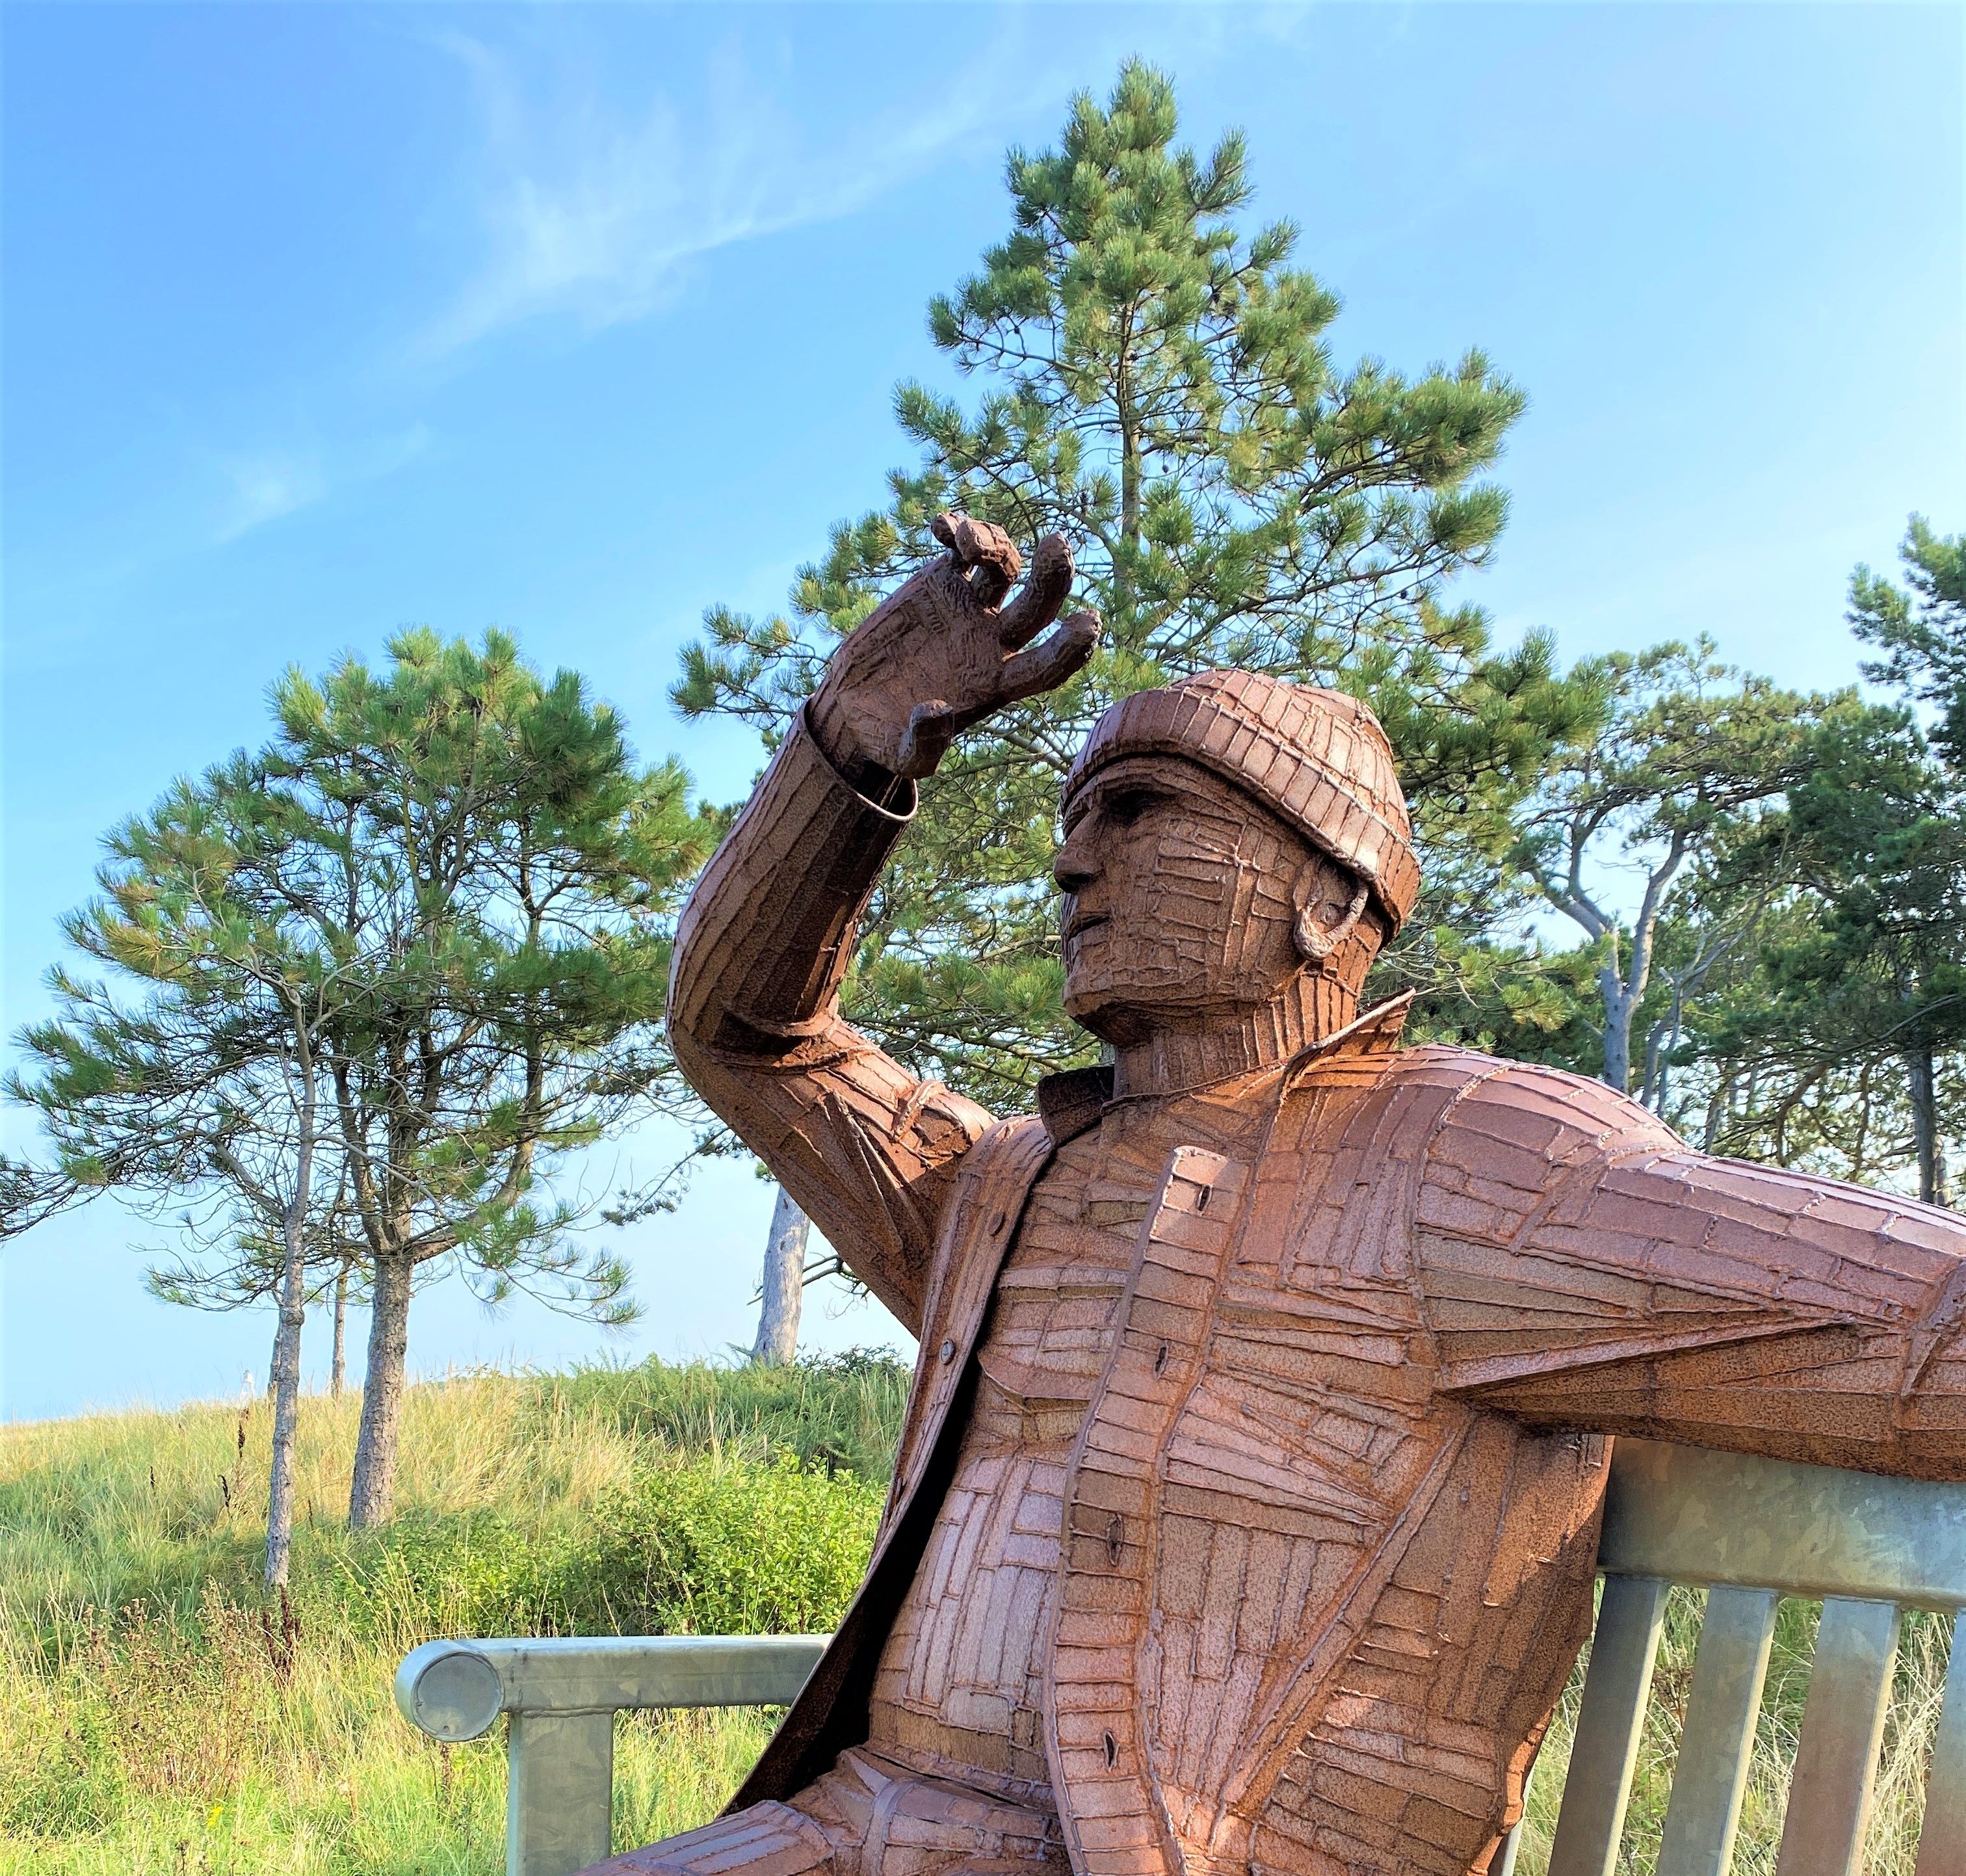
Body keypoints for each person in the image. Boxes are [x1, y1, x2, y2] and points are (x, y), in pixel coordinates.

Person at [601, 516, 1966, 1876]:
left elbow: (1925, 1327)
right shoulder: (998, 1187)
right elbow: (745, 1034)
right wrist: (846, 752)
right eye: (1076, 821)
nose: (1074, 863)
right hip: (841, 1830)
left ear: (1326, 898)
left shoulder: (1462, 1165)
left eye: (1141, 809)